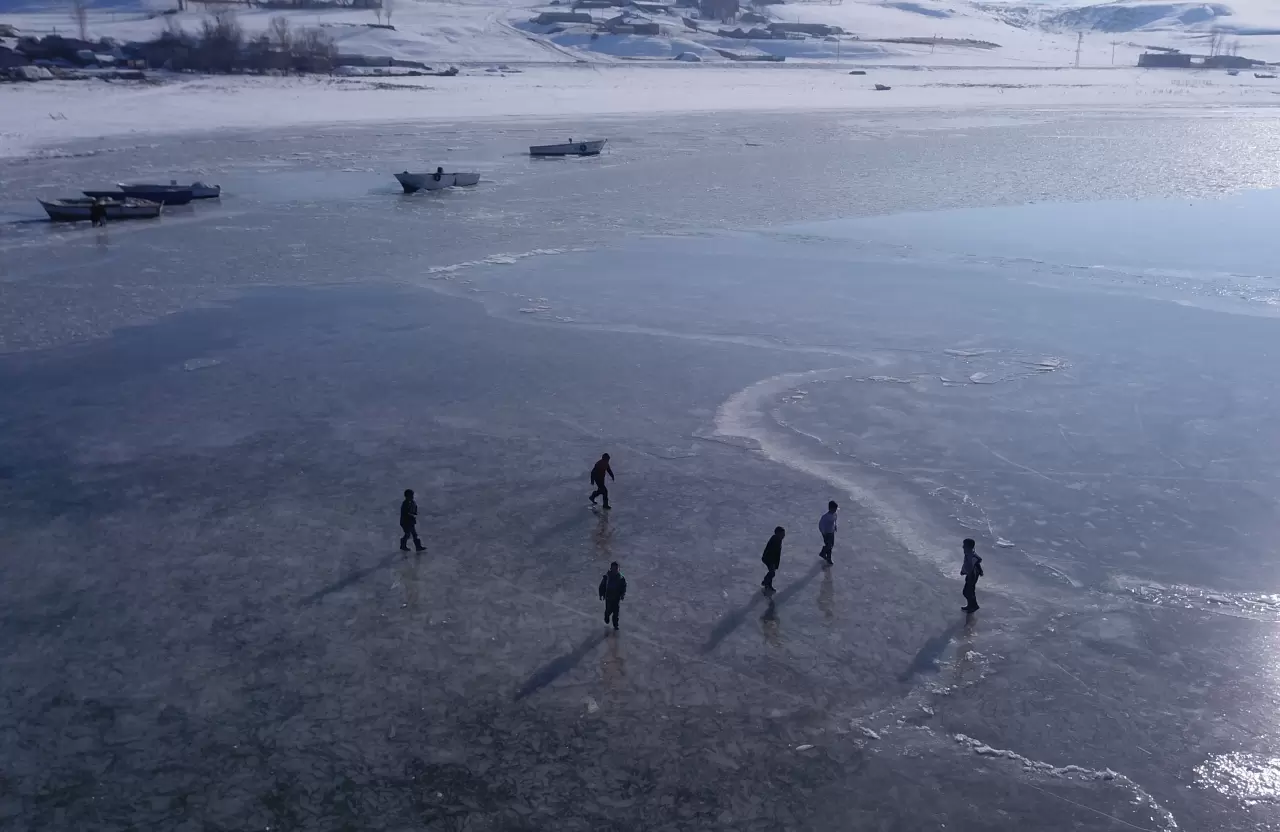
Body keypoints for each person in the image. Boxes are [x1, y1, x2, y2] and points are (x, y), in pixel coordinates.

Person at [599, 561, 627, 630]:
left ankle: (615, 624)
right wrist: (601, 594)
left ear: (619, 569)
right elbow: (602, 586)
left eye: (616, 569)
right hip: (608, 596)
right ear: (611, 568)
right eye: (613, 568)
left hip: (616, 597)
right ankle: (607, 615)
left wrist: (622, 594)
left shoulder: (621, 578)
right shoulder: (607, 577)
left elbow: (624, 587)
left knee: (616, 612)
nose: (615, 570)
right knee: (609, 609)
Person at [961, 538, 983, 613]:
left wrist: (978, 572)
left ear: (969, 547)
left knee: (967, 592)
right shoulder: (968, 554)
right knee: (969, 591)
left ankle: (973, 606)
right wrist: (963, 571)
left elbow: (975, 564)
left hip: (972, 576)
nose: (963, 547)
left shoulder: (972, 556)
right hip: (970, 575)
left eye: (964, 546)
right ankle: (972, 605)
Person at [761, 526, 785, 594]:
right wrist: (773, 563)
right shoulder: (775, 539)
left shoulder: (778, 539)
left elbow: (777, 554)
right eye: (782, 534)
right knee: (772, 572)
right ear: (777, 533)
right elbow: (772, 552)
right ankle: (765, 582)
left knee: (772, 571)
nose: (783, 536)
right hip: (768, 558)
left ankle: (768, 585)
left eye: (784, 534)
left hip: (771, 559)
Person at [818, 500, 838, 564]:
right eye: (834, 509)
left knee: (831, 545)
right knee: (828, 545)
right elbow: (821, 525)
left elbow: (834, 521)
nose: (835, 510)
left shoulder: (835, 514)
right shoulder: (825, 517)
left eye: (836, 509)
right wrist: (823, 532)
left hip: (832, 532)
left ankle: (828, 557)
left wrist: (835, 527)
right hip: (826, 533)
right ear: (830, 508)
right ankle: (823, 553)